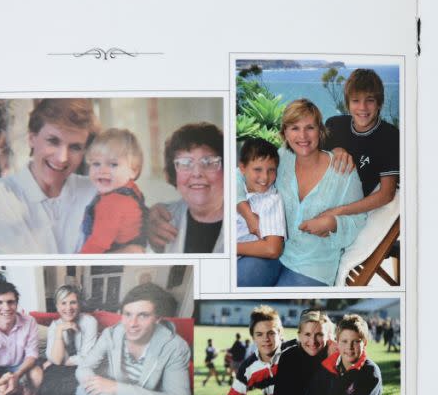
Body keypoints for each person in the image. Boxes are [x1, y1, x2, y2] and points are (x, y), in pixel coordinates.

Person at [269, 99, 367, 287]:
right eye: (294, 128)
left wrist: (333, 223)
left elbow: (360, 219)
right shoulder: (280, 158)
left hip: (314, 267)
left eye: (310, 128)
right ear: (285, 133)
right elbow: (245, 175)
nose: (303, 136)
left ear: (320, 131)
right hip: (273, 250)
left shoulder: (343, 170)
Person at [0, 98, 99, 254]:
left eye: (75, 147)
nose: (62, 158)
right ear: (32, 139)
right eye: (53, 141)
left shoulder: (96, 192)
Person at [75, 283, 190, 395]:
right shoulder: (110, 334)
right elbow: (83, 369)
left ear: (158, 318)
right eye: (127, 314)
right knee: (82, 391)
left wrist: (117, 388)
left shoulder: (175, 347)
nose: (132, 324)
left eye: (143, 315)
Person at [204, 306, 297, 395]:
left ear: (280, 333)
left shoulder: (295, 350)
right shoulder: (249, 366)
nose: (265, 339)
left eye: (271, 333)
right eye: (259, 334)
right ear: (253, 337)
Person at [316, 68, 399, 220]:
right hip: (318, 200)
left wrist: (338, 212)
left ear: (379, 103)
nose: (363, 107)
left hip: (349, 212)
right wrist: (335, 150)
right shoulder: (334, 124)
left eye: (370, 100)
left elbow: (387, 194)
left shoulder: (390, 136)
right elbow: (311, 160)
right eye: (356, 100)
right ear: (347, 104)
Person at [147, 122, 225, 254]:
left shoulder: (244, 218)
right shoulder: (160, 219)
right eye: (185, 163)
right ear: (173, 174)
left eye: (209, 162)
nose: (197, 173)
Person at [78, 128, 148, 253]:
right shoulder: (131, 189)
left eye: (113, 164)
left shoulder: (112, 203)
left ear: (134, 170)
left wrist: (74, 264)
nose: (102, 170)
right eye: (96, 164)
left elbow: (97, 244)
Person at [42, 284, 101, 395]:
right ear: (57, 306)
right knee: (49, 383)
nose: (68, 308)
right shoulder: (55, 326)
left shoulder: (89, 322)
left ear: (79, 304)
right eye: (63, 303)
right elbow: (55, 359)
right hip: (62, 367)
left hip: (83, 366)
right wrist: (59, 331)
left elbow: (87, 357)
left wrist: (64, 360)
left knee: (71, 386)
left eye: (73, 302)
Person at [235, 138, 286, 286]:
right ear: (242, 168)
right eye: (257, 169)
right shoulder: (233, 185)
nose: (265, 178)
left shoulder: (271, 200)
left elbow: (272, 249)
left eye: (271, 170)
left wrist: (230, 248)